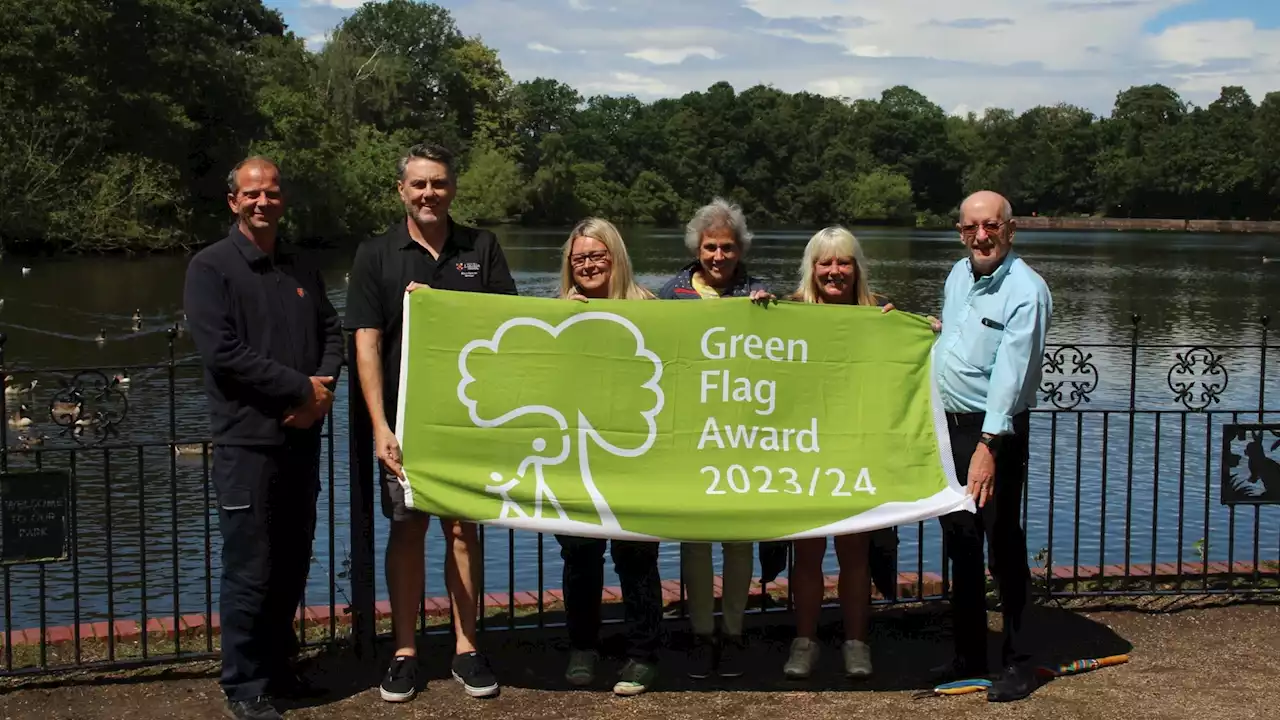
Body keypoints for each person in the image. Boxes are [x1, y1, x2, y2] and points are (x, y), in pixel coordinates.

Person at [344, 143, 518, 703]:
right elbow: (365, 344)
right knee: (407, 529)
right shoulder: (375, 254)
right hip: (404, 425)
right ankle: (405, 650)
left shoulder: (481, 248)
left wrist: (442, 303)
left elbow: (508, 325)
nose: (428, 194)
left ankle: (467, 648)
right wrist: (379, 426)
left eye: (438, 183)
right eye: (418, 184)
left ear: (453, 189)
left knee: (464, 531)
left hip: (468, 423)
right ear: (401, 190)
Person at [184, 156, 343, 720]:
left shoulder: (299, 265)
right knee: (250, 566)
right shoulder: (211, 268)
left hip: (302, 439)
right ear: (233, 201)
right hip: (246, 442)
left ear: (282, 199)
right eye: (251, 194)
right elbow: (222, 353)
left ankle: (280, 667)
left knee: (293, 559)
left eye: (271, 193)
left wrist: (320, 389)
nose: (261, 203)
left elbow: (331, 330)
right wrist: (301, 388)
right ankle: (245, 685)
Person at [930, 190, 1052, 703]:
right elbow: (958, 336)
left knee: (1003, 545)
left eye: (991, 226)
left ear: (1011, 228)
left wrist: (987, 445)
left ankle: (1021, 663)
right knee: (960, 541)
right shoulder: (959, 275)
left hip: (992, 433)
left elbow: (1010, 374)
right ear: (960, 230)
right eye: (971, 227)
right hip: (950, 429)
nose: (981, 236)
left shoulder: (1027, 291)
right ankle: (969, 654)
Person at [657, 197, 773, 679]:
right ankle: (702, 632)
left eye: (727, 247)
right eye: (710, 248)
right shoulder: (670, 294)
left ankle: (736, 630)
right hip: (690, 431)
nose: (718, 256)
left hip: (744, 430)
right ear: (697, 248)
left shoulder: (762, 295)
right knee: (697, 536)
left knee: (740, 536)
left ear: (740, 249)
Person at [554, 218, 664, 696]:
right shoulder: (555, 313)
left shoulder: (653, 309)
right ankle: (583, 647)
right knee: (580, 555)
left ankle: (642, 655)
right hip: (574, 454)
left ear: (616, 258)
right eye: (579, 259)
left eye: (598, 256)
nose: (589, 265)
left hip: (636, 455)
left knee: (636, 556)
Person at [779, 226, 891, 681]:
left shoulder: (879, 314)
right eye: (825, 262)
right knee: (806, 553)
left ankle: (856, 642)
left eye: (843, 262)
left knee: (855, 552)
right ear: (812, 268)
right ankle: (804, 641)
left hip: (855, 450)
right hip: (803, 449)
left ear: (856, 268)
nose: (834, 271)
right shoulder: (788, 313)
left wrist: (924, 333)